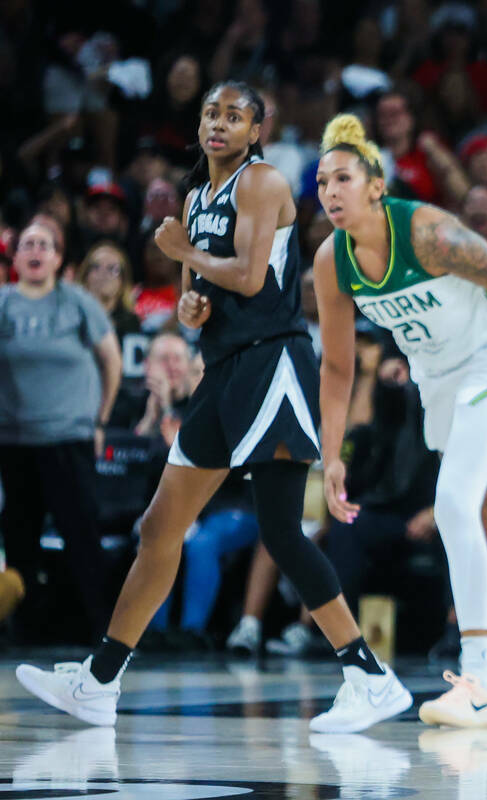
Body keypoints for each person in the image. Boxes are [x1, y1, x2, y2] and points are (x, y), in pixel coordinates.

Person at [15, 82, 409, 736]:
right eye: (210, 113)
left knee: (280, 530)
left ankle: (369, 675)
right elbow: (199, 294)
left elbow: (251, 277)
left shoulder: (261, 182)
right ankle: (101, 681)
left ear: (256, 130)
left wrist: (182, 256)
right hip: (223, 369)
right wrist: (190, 304)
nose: (218, 124)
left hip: (274, 364)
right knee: (157, 528)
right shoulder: (196, 198)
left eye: (234, 115)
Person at [312, 114, 487, 728]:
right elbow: (336, 368)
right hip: (440, 375)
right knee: (482, 507)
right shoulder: (332, 260)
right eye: (323, 181)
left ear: (376, 186)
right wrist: (331, 453)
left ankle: (478, 680)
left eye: (344, 178)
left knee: (454, 503)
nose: (331, 192)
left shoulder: (429, 232)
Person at [0, 221, 123, 643]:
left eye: (45, 245)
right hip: (15, 439)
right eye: (27, 244)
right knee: (20, 541)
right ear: (15, 259)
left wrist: (101, 420)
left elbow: (112, 360)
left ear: (58, 258)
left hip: (70, 436)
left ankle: (102, 630)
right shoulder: (3, 304)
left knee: (81, 535)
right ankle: (24, 628)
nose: (36, 251)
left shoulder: (77, 303)